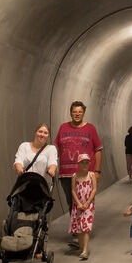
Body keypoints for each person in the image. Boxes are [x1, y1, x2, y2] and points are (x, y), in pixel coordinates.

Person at [54, 101, 103, 247]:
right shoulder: (63, 127)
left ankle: (81, 233)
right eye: (74, 112)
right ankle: (78, 231)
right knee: (71, 203)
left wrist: (97, 171)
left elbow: (98, 150)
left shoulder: (90, 128)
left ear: (83, 113)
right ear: (70, 112)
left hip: (85, 175)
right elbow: (55, 148)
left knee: (83, 204)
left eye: (80, 112)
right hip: (66, 174)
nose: (77, 114)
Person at [69, 154, 97, 260]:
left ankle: (85, 250)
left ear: (89, 163)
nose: (85, 164)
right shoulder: (75, 176)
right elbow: (73, 190)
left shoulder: (91, 175)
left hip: (89, 205)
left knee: (85, 227)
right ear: (78, 164)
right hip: (78, 205)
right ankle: (82, 249)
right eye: (82, 162)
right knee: (79, 228)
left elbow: (94, 189)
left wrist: (87, 203)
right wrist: (78, 203)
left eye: (87, 162)